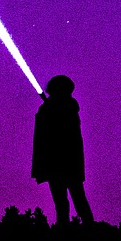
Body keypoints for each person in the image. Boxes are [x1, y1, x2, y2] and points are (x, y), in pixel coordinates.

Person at [31, 74, 94, 225]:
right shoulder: (65, 107)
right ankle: (84, 228)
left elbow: (51, 131)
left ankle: (76, 230)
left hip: (59, 162)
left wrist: (49, 107)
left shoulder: (64, 108)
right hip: (66, 162)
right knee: (70, 200)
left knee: (70, 201)